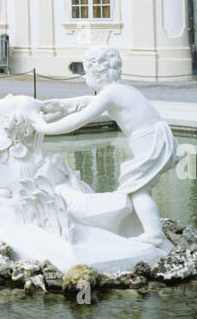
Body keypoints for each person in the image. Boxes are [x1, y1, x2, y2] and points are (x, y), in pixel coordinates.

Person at [35, 45, 180, 248]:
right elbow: (86, 102)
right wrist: (59, 104)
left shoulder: (111, 93)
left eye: (86, 71)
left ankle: (154, 234)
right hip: (155, 137)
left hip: (149, 142)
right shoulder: (120, 88)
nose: (85, 77)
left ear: (95, 72)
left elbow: (78, 120)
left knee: (137, 189)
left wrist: (43, 128)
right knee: (140, 186)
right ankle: (141, 225)